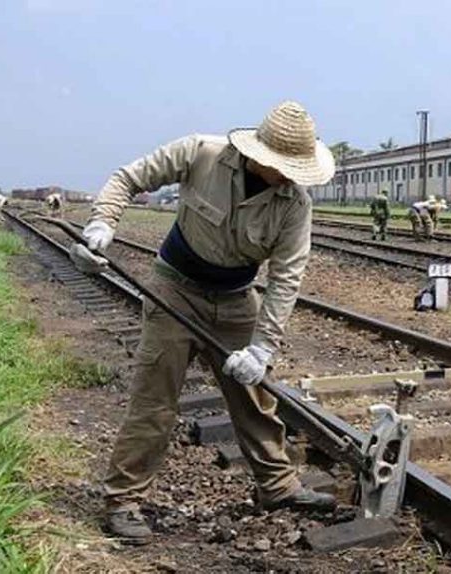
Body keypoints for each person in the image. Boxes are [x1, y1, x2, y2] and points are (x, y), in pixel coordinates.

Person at [68, 101, 338, 544]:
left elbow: (287, 276)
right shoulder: (200, 153)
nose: (292, 176)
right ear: (260, 155)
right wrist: (101, 224)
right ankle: (122, 499)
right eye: (286, 167)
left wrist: (263, 347)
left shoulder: (294, 204)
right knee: (155, 400)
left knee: (254, 396)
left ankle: (278, 487)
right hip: (175, 285)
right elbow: (127, 178)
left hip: (235, 299)